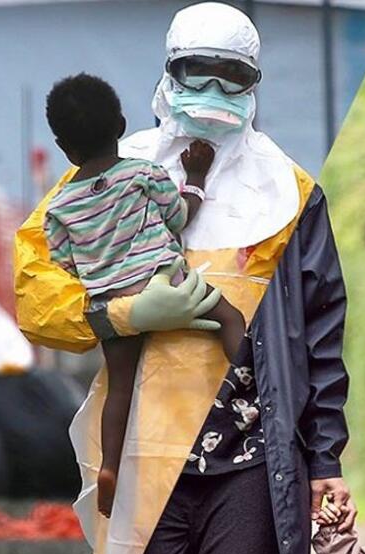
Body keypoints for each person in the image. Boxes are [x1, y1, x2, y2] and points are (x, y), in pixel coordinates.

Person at [14, 3, 350, 554]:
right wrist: (125, 314)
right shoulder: (110, 174)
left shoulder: (292, 195)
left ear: (254, 83)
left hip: (250, 462)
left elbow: (321, 335)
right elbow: (36, 295)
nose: (216, 93)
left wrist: (326, 460)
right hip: (140, 453)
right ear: (170, 72)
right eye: (201, 74)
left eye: (233, 78)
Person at [42, 74, 246, 519]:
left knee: (120, 387)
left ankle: (110, 466)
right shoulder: (142, 174)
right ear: (120, 123)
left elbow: (62, 261)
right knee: (230, 320)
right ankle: (251, 397)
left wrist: (102, 271)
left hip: (115, 307)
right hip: (165, 283)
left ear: (63, 147)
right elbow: (178, 217)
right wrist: (195, 175)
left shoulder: (59, 206)